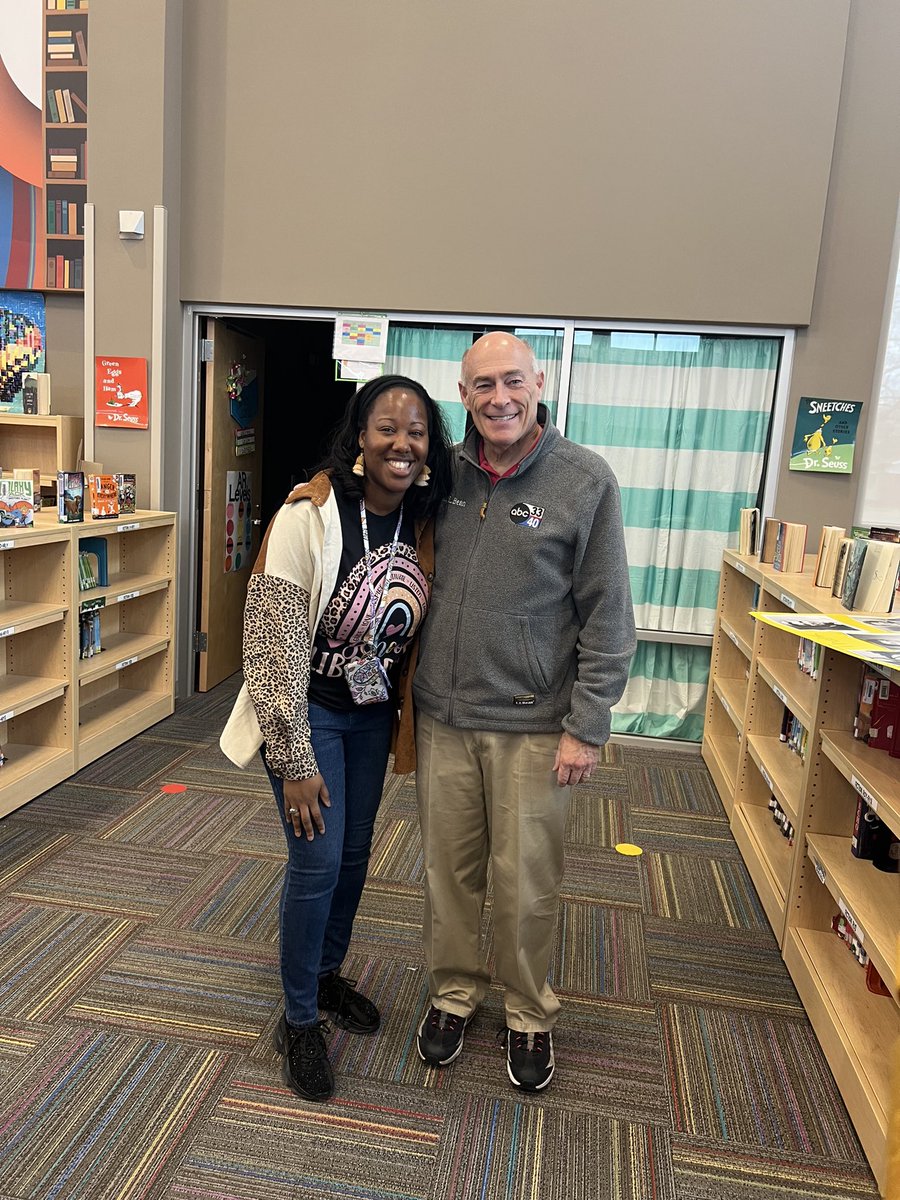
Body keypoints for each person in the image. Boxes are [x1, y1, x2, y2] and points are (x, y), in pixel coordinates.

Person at [412, 332, 635, 1092]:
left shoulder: (583, 480)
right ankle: (452, 994)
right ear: (463, 393)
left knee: (526, 881)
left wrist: (588, 724)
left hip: (537, 726)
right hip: (443, 718)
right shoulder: (441, 473)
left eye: (513, 380)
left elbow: (609, 615)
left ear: (538, 382)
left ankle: (530, 1014)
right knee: (450, 874)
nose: (499, 398)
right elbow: (365, 497)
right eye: (482, 385)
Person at [220, 374, 452, 1103]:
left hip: (371, 712)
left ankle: (323, 976)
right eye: (387, 428)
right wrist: (291, 760)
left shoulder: (422, 519)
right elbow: (269, 646)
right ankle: (297, 1020)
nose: (402, 445)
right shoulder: (308, 516)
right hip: (307, 710)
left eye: (416, 432)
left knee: (354, 855)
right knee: (316, 860)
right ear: (359, 435)